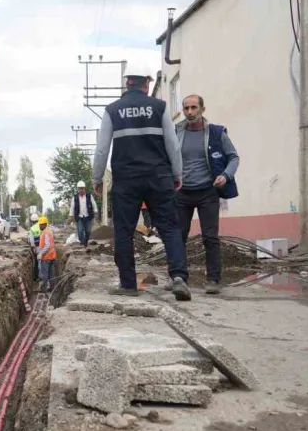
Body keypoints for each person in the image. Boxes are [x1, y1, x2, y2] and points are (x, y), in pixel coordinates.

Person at [91, 61, 192, 301]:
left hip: (126, 180)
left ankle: (128, 284)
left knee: (124, 232)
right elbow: (173, 146)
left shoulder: (112, 110)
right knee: (170, 228)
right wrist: (177, 174)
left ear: (127, 83)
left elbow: (102, 150)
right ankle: (178, 276)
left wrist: (97, 178)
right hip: (159, 177)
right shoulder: (159, 107)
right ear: (147, 84)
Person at [175, 94, 240, 294]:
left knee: (210, 237)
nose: (189, 112)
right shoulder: (176, 131)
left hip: (208, 192)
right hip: (182, 192)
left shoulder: (216, 133)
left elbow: (233, 157)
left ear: (202, 109)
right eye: (186, 108)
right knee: (178, 237)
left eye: (194, 107)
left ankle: (213, 280)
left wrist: (226, 175)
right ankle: (177, 278)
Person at [71, 181, 98, 245]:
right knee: (80, 231)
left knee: (88, 231)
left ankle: (85, 241)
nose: (81, 190)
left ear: (84, 188)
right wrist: (71, 215)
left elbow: (94, 204)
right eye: (79, 188)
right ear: (78, 189)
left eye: (82, 188)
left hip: (88, 216)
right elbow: (72, 207)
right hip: (79, 217)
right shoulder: (75, 197)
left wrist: (96, 211)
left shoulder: (89, 196)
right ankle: (82, 242)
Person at [35, 215, 57, 292]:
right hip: (52, 256)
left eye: (41, 224)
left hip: (46, 257)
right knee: (51, 273)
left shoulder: (45, 233)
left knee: (45, 274)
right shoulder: (49, 231)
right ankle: (52, 288)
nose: (40, 226)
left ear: (44, 224)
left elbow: (47, 245)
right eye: (39, 224)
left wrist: (41, 254)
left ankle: (43, 289)